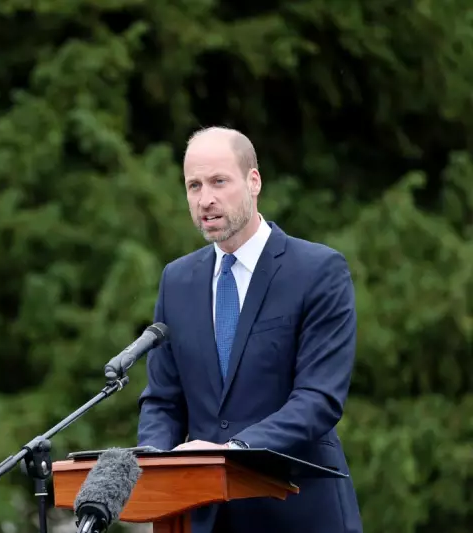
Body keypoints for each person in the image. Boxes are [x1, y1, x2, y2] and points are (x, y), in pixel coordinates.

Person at [137, 126, 363, 532]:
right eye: (193, 185)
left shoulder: (317, 271)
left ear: (253, 181)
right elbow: (163, 401)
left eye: (219, 181)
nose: (205, 199)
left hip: (298, 510)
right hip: (205, 516)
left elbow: (318, 398)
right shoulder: (178, 280)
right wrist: (155, 458)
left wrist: (233, 452)